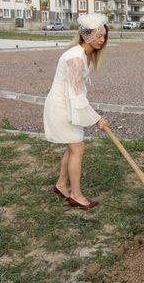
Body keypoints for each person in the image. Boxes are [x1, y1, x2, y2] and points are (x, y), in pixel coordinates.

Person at [43, 13, 110, 210]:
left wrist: (93, 117)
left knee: (73, 148)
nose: (102, 40)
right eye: (98, 35)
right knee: (77, 148)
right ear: (85, 35)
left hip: (68, 104)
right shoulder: (74, 57)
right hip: (61, 107)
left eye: (104, 36)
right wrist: (97, 118)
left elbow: (77, 94)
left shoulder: (84, 54)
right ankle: (76, 195)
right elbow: (76, 94)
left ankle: (62, 185)